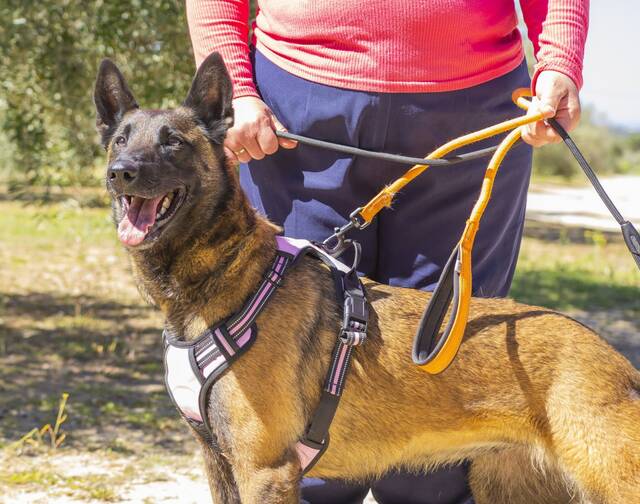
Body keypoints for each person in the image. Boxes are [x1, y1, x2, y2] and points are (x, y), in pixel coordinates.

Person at [186, 1, 589, 502]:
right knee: (295, 392)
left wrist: (559, 59)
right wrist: (235, 89)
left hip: (473, 108)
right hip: (293, 111)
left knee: (446, 373)